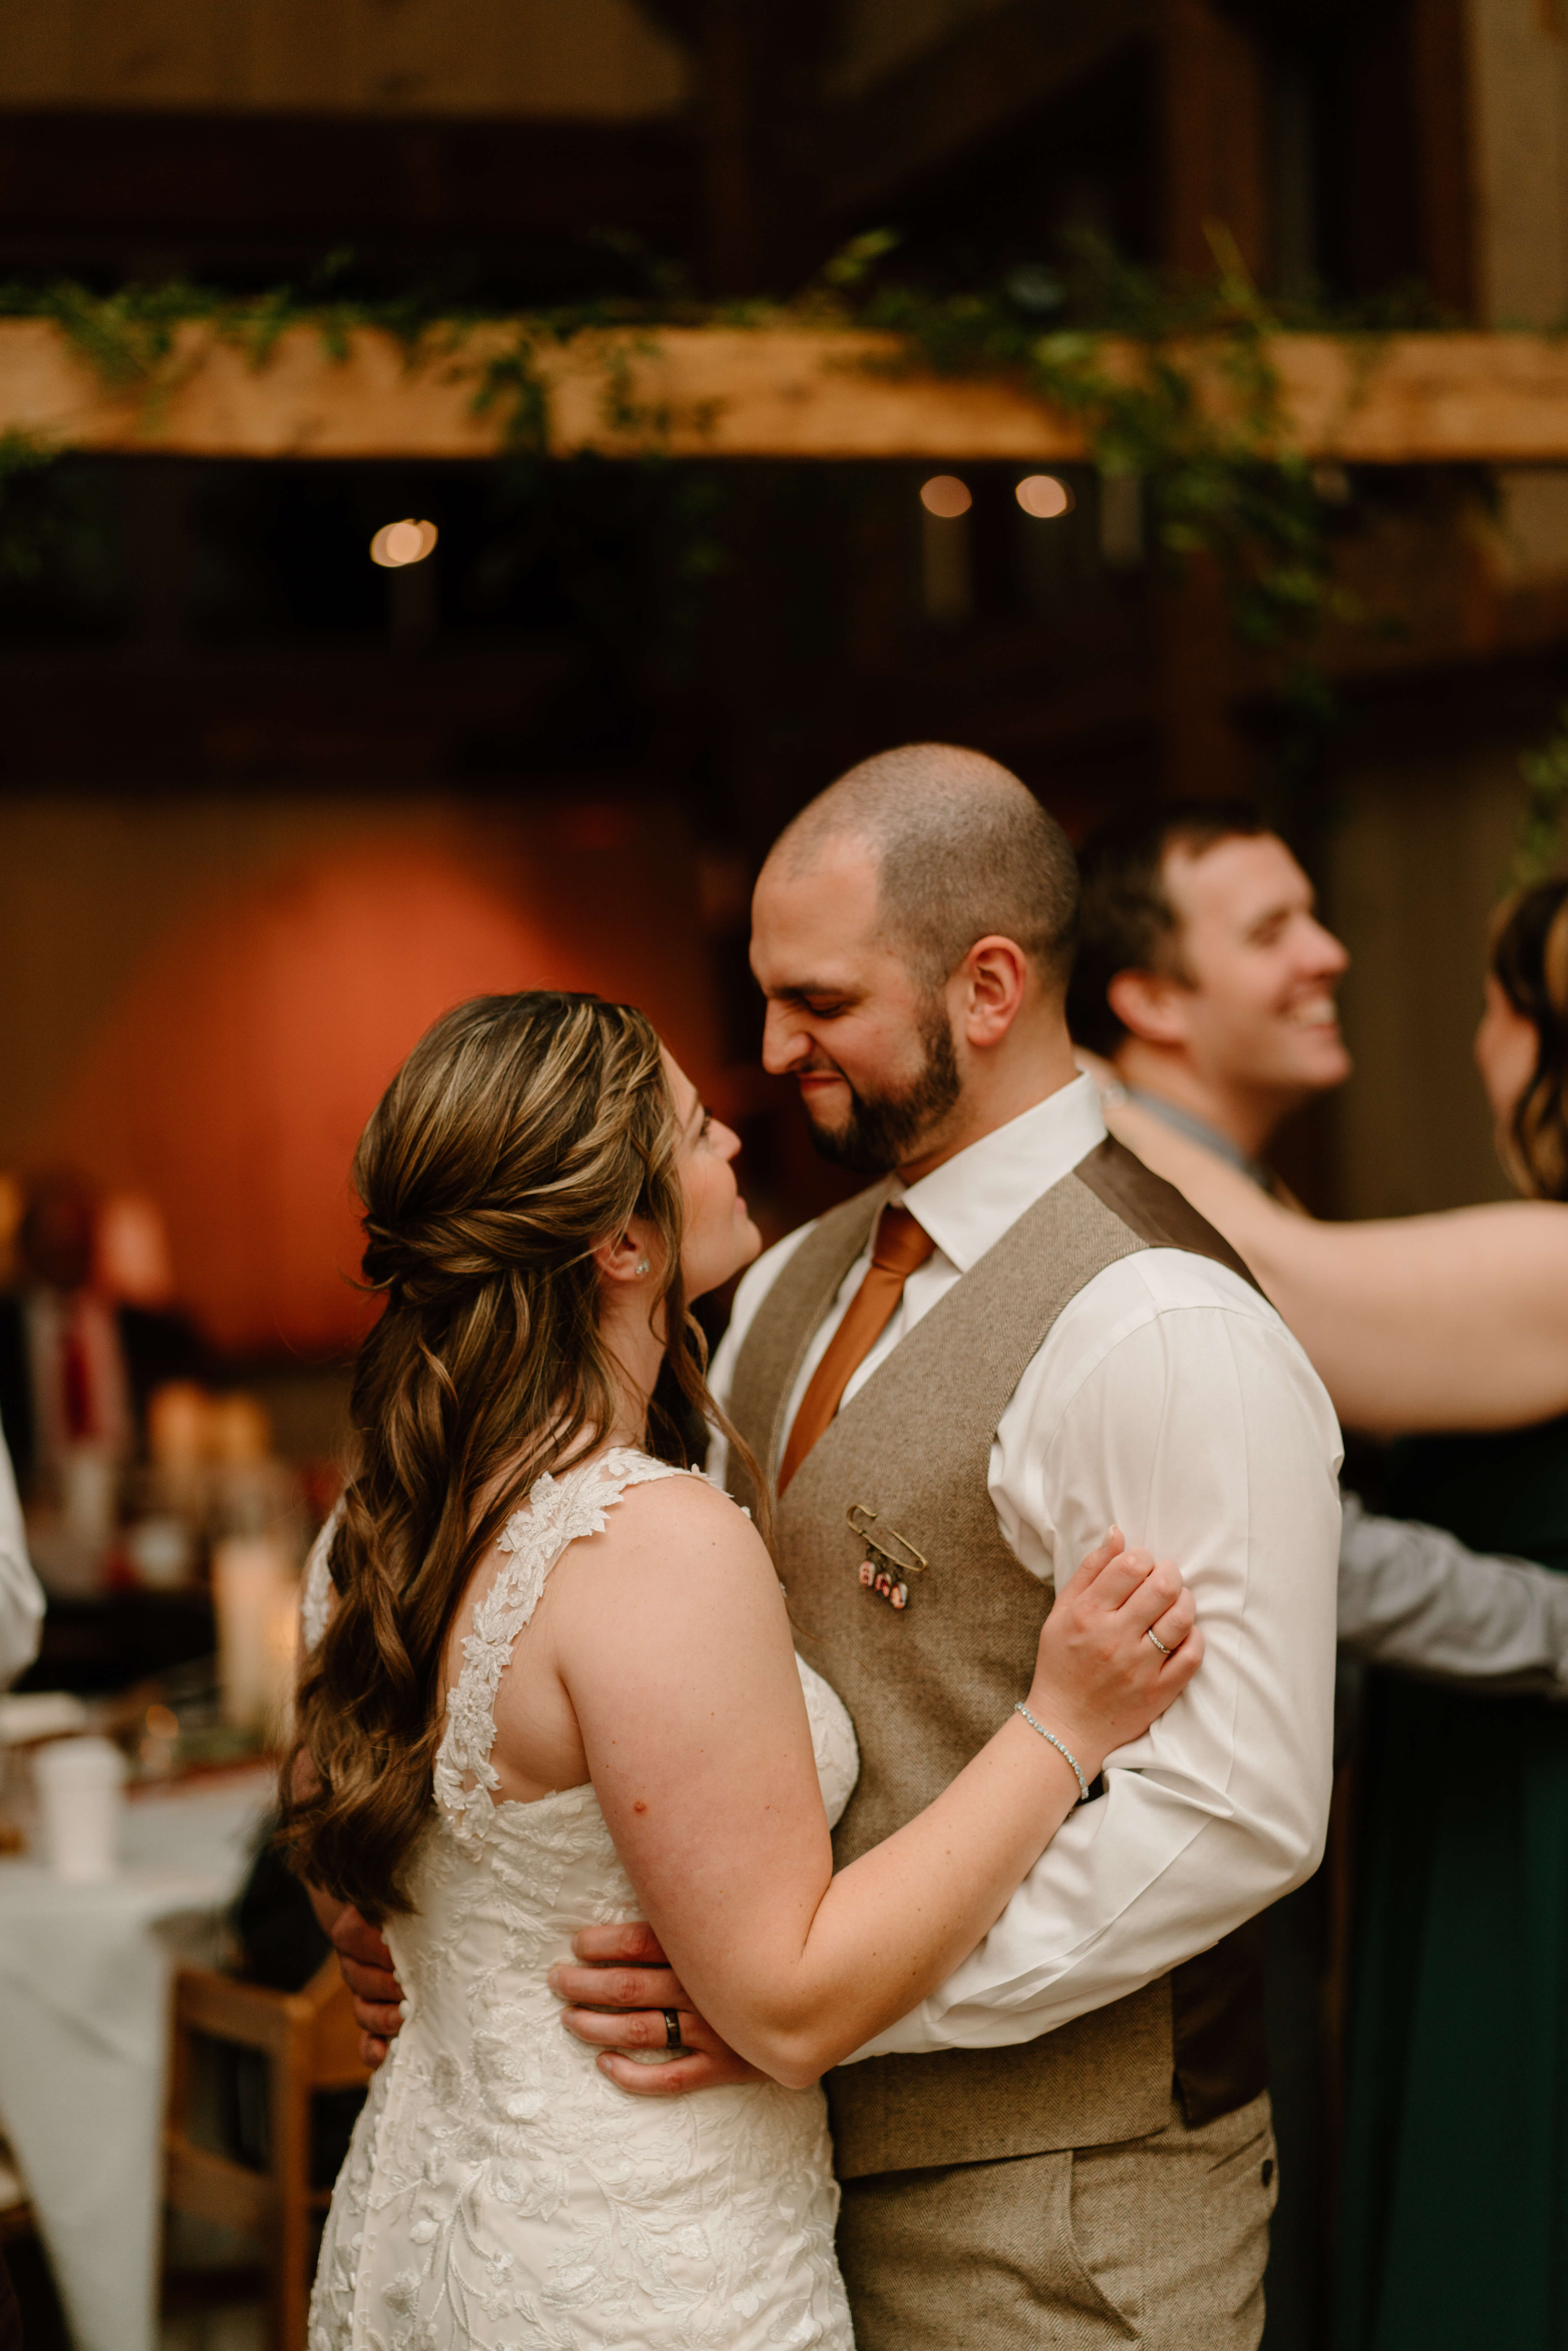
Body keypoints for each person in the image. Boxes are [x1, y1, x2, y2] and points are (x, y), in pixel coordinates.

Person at [283, 985, 1203, 2351]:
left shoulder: (375, 1521)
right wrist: (1060, 1727)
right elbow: (783, 2005)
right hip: (642, 2262)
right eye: (699, 1128)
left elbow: (347, 1843)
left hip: (431, 2228)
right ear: (619, 1242)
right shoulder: (651, 1541)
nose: (732, 1142)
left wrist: (422, 1943)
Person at [1067, 800, 1568, 1695]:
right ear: (1146, 999)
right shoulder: (1117, 1217)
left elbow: (1292, 1276)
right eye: (1270, 932)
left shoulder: (1202, 1195)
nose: (1330, 952)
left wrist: (1077, 1095)